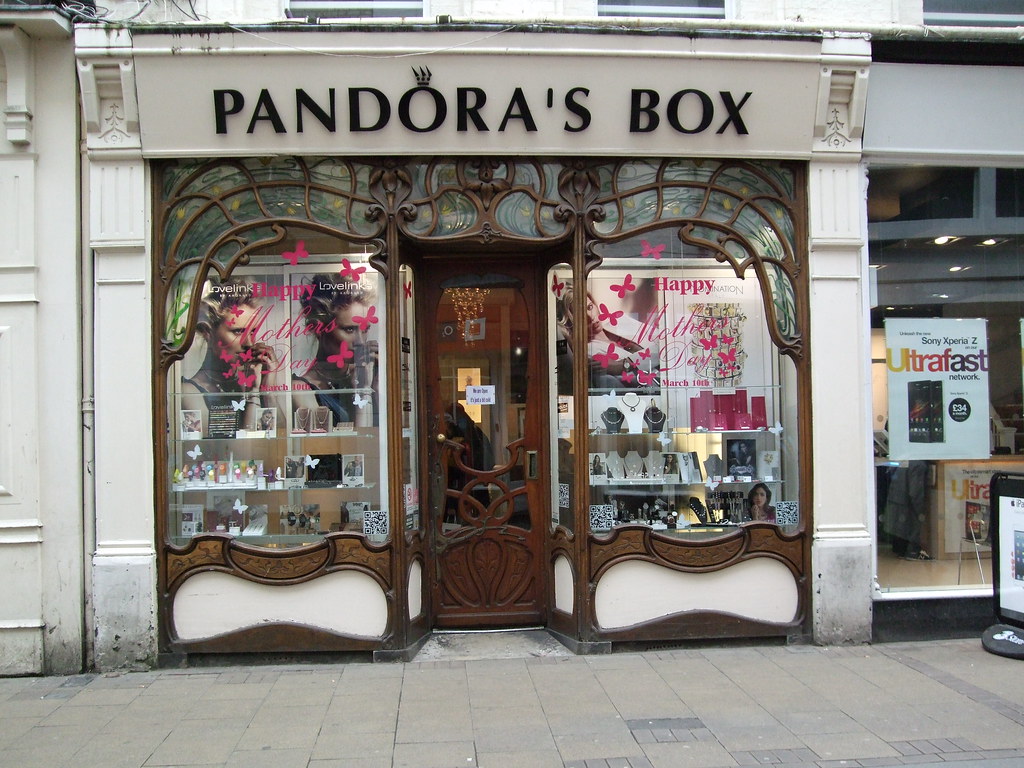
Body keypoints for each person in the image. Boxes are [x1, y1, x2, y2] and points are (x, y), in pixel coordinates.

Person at [180, 277, 282, 434]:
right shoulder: (189, 393)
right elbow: (245, 450)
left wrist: (267, 388)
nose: (249, 342)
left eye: (252, 331)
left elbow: (282, 438)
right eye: (238, 331)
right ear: (208, 333)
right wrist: (253, 394)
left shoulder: (251, 380)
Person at [293, 271, 379, 429]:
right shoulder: (301, 390)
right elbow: (356, 445)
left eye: (365, 329)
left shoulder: (368, 374)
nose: (360, 341)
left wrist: (377, 385)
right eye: (349, 330)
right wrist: (362, 390)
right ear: (319, 329)